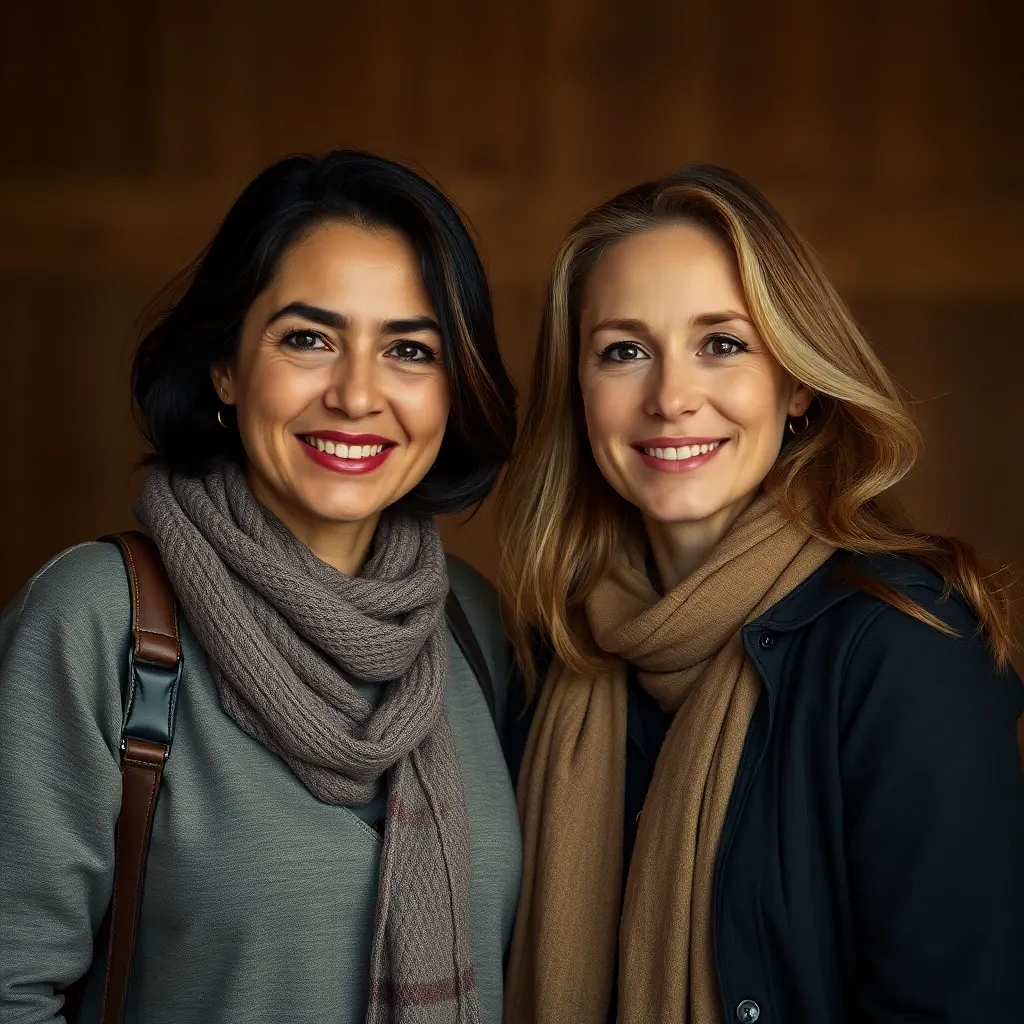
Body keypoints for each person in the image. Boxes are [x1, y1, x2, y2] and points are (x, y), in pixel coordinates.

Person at [0, 150, 521, 1024]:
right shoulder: (99, 620)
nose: (357, 394)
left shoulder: (473, 627)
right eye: (308, 339)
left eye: (408, 350)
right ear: (226, 367)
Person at [499, 164, 1024, 1023]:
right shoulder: (553, 653)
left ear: (799, 383)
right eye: (623, 351)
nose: (671, 398)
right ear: (579, 392)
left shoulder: (905, 644)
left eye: (724, 343)